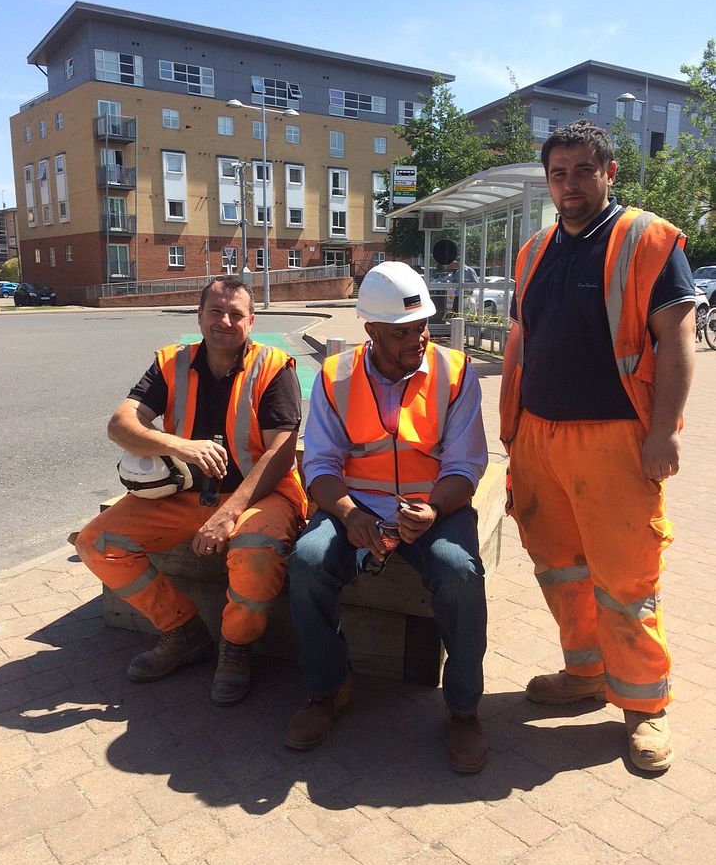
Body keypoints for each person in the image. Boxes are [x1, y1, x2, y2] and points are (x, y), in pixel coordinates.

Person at [499, 119, 695, 772]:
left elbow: (678, 340)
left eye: (584, 169)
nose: (570, 183)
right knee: (560, 567)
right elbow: (520, 343)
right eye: (559, 173)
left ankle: (645, 708)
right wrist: (513, 433)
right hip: (540, 439)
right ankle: (585, 673)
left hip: (615, 439)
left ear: (609, 173)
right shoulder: (533, 252)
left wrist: (664, 430)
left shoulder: (646, 239)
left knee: (626, 579)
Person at [284, 261, 490, 773]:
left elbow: (467, 463)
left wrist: (435, 507)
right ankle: (328, 689)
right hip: (356, 507)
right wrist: (350, 514)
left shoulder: (456, 372)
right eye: (401, 332)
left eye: (422, 326)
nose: (417, 339)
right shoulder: (335, 376)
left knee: (460, 573)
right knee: (308, 563)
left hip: (436, 505)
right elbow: (320, 462)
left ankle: (463, 708)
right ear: (370, 331)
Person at [76, 276, 307, 704]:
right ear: (199, 316)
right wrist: (179, 444)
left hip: (263, 495)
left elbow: (280, 452)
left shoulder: (274, 366)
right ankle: (183, 633)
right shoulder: (172, 363)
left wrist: (228, 515)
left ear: (251, 322)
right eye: (215, 311)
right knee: (97, 543)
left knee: (254, 551)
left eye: (236, 314)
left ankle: (235, 647)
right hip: (186, 494)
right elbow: (119, 425)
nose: (224, 321)